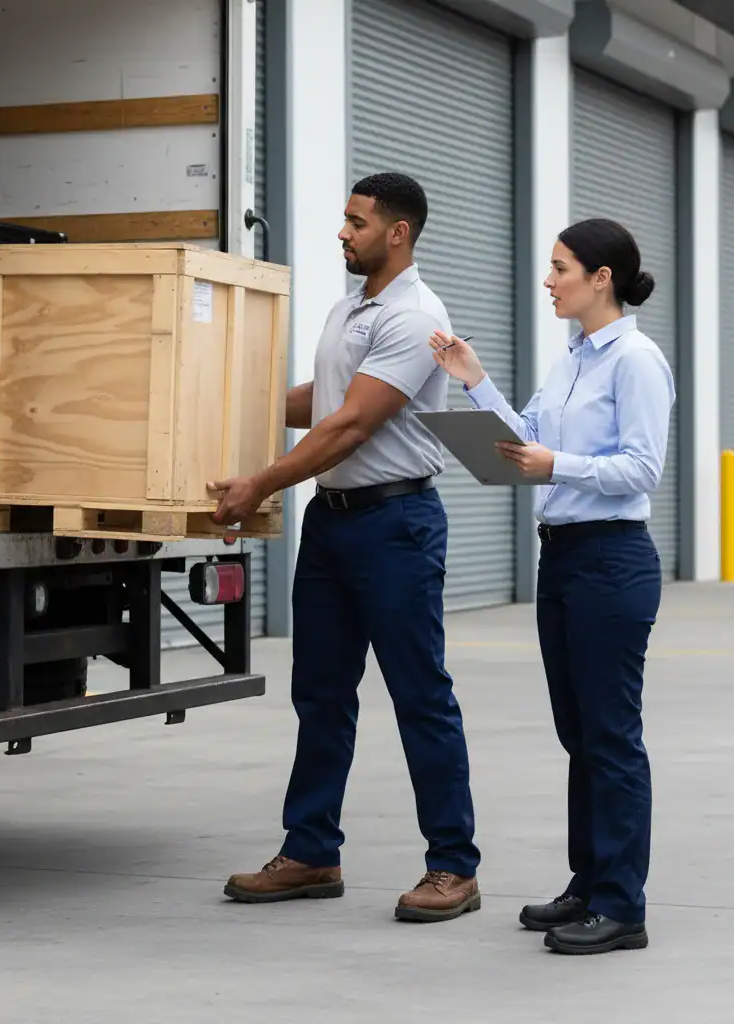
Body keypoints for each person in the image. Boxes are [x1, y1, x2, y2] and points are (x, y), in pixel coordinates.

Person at [209, 171, 481, 923]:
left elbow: (352, 424)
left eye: (356, 222)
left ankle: (453, 866)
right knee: (321, 694)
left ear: (398, 232)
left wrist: (261, 482)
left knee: (420, 696)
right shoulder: (350, 308)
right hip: (333, 525)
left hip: (395, 527)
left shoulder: (416, 317)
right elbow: (320, 401)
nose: (342, 232)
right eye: (345, 219)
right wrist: (222, 398)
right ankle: (311, 851)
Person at [429, 218, 675, 955]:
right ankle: (589, 884)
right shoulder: (572, 358)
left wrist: (555, 467)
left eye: (560, 267)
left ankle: (622, 906)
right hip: (563, 558)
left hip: (611, 560)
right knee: (579, 734)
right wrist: (475, 380)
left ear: (601, 278)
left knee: (611, 735)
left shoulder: (635, 360)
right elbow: (525, 440)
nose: (548, 280)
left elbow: (643, 469)